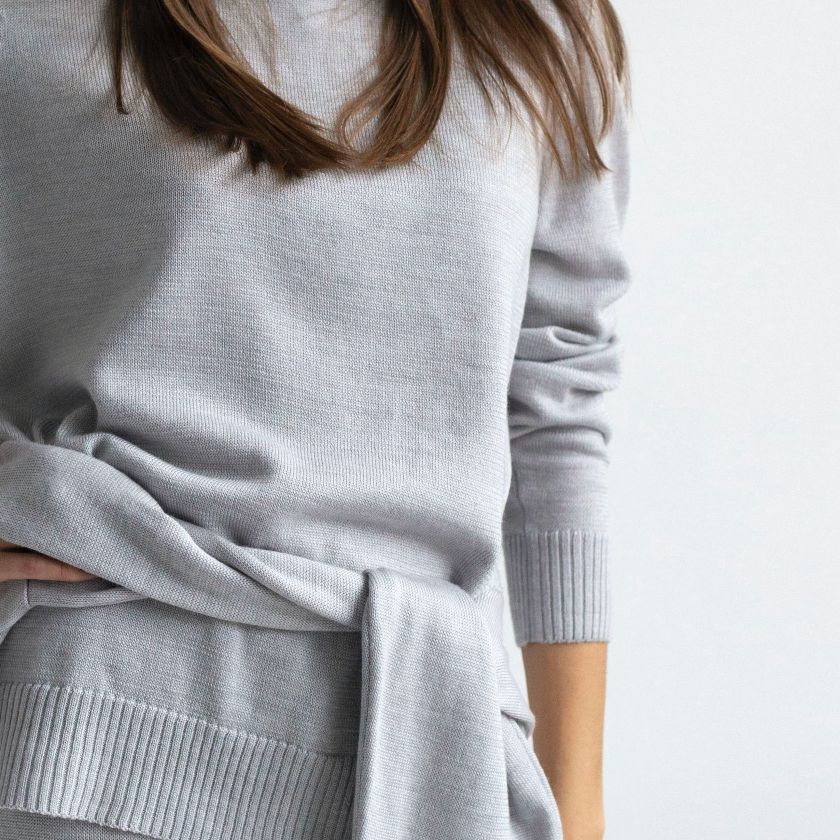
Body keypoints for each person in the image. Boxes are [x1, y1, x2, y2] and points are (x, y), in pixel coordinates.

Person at [0, 0, 632, 838]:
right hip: (98, 716)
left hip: (425, 728)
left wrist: (577, 801)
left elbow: (556, 395)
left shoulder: (538, 26)